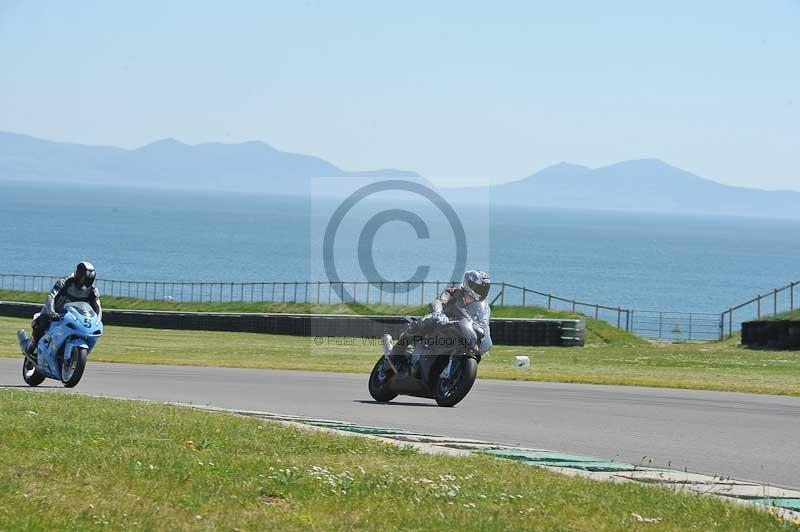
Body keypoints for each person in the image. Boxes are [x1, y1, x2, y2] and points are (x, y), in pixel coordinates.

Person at [390, 269, 492, 358]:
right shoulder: (454, 292)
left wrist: (484, 336)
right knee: (421, 323)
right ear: (469, 284)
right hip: (442, 321)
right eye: (479, 288)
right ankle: (394, 354)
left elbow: (483, 322)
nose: (482, 291)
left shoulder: (483, 306)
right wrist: (438, 313)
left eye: (484, 289)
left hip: (460, 330)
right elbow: (439, 301)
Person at [26, 262, 102, 359]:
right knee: (42, 322)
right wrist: (51, 311)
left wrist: (97, 321)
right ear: (79, 275)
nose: (87, 282)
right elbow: (51, 297)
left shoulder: (93, 290)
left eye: (90, 279)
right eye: (86, 278)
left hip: (74, 316)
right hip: (56, 312)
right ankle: (33, 345)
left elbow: (97, 307)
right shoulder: (65, 282)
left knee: (86, 333)